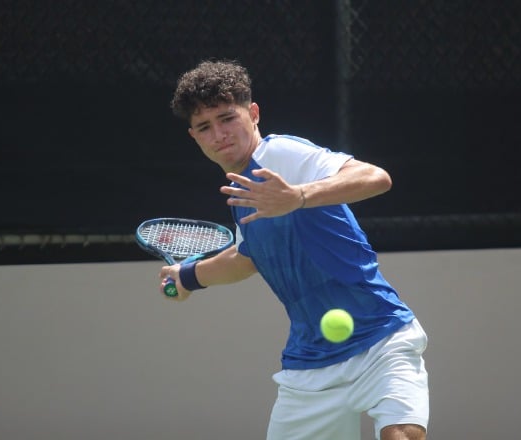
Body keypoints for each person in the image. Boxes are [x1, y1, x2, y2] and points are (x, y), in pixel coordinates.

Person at [161, 59, 429, 440]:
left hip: (381, 336)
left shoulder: (280, 155)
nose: (219, 133)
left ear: (253, 114)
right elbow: (246, 259)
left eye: (227, 118)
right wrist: (187, 277)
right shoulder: (242, 197)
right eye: (205, 127)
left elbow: (375, 178)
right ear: (195, 137)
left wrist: (299, 196)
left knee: (401, 435)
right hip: (309, 365)